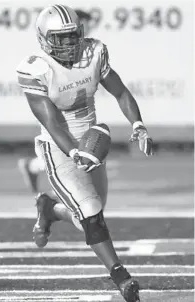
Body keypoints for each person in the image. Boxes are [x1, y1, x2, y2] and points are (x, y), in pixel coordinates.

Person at [16, 4, 153, 301]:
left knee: (89, 216)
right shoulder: (36, 69)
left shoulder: (94, 54)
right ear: (44, 38)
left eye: (71, 36)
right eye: (60, 38)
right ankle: (120, 275)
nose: (68, 44)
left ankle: (49, 209)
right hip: (58, 148)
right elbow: (51, 123)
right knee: (91, 212)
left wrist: (138, 124)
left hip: (91, 143)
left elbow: (121, 92)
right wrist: (75, 153)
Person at [18, 8, 92, 194]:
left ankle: (34, 167)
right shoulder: (57, 46)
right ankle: (62, 186)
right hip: (57, 100)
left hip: (70, 101)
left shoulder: (82, 47)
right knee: (64, 143)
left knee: (71, 143)